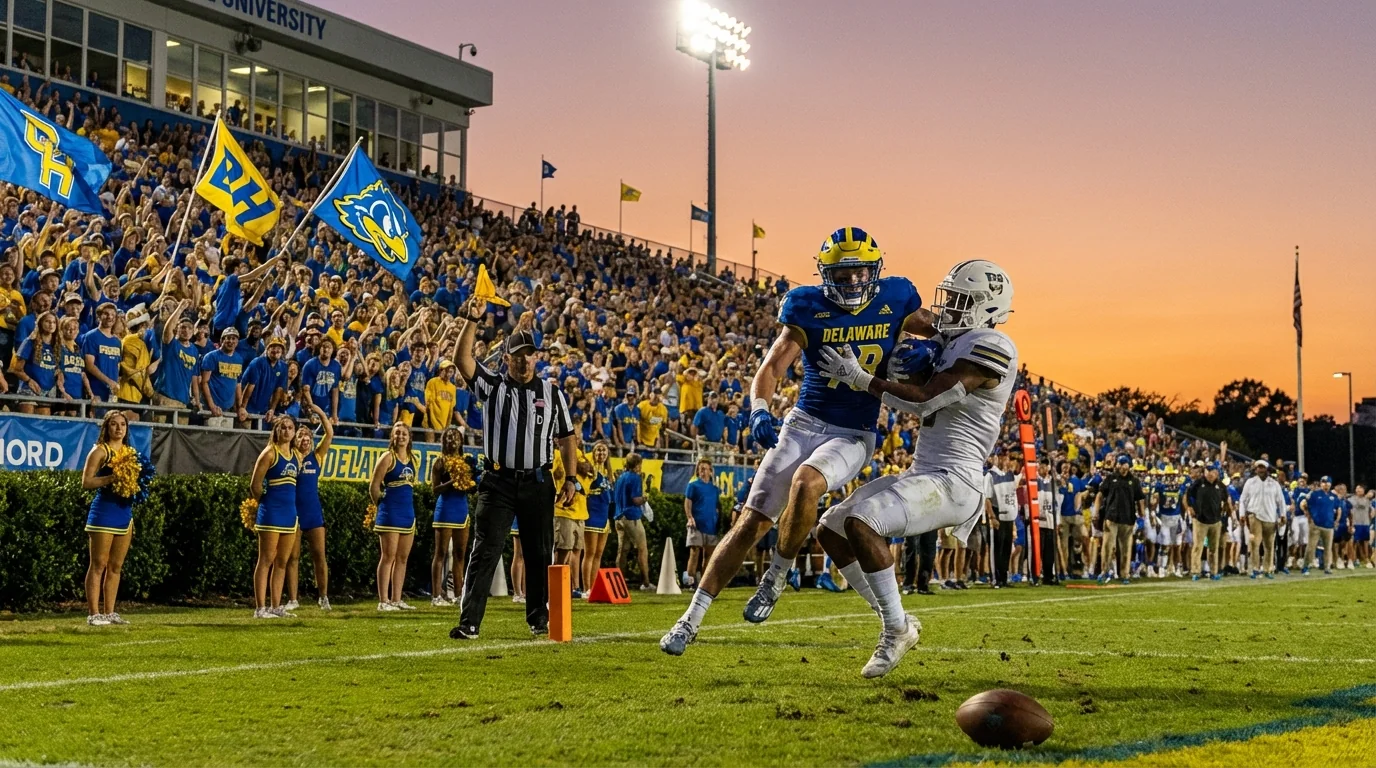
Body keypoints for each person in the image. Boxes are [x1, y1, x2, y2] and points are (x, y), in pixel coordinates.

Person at [662, 227, 934, 657]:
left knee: (807, 484)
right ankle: (689, 619)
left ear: (875, 270)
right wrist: (758, 408)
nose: (851, 283)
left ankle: (777, 576)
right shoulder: (807, 306)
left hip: (852, 432)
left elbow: (936, 331)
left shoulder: (896, 298)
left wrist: (931, 352)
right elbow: (772, 366)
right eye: (841, 276)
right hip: (804, 421)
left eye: (859, 273)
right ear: (825, 275)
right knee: (751, 521)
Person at [772, 260, 1017, 678]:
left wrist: (862, 379)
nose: (949, 308)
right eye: (950, 298)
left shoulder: (993, 346)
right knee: (830, 529)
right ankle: (899, 621)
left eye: (960, 301)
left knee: (864, 523)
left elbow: (925, 399)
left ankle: (892, 629)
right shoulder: (954, 340)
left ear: (988, 307)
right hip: (925, 472)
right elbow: (915, 352)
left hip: (955, 480)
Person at [449, 300, 577, 641]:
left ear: (538, 357)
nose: (524, 360)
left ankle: (538, 617)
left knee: (539, 552)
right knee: (486, 550)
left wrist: (572, 478)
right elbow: (461, 361)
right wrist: (472, 319)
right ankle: (470, 621)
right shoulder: (493, 386)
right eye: (517, 354)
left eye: (529, 354)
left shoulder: (553, 393)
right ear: (506, 358)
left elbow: (567, 437)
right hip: (498, 481)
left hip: (538, 480)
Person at [81, 411, 137, 626]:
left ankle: (110, 612)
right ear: (106, 427)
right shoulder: (99, 451)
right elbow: (86, 482)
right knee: (98, 564)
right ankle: (94, 613)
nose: (118, 428)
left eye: (122, 424)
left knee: (116, 565)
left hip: (125, 512)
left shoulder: (129, 452)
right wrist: (112, 478)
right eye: (113, 424)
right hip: (103, 512)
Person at [248, 415, 300, 619]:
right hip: (271, 512)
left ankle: (276, 606)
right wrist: (266, 502)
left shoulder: (296, 455)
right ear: (276, 431)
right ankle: (260, 608)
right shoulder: (269, 453)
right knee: (266, 559)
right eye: (283, 428)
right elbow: (255, 484)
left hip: (289, 514)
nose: (287, 431)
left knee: (282, 561)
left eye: (290, 427)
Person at [287, 402, 333, 611]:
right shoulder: (289, 458)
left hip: (313, 513)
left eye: (308, 437)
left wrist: (318, 409)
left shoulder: (317, 457)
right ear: (294, 440)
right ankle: (293, 599)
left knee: (319, 556)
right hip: (293, 513)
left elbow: (329, 432)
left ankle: (323, 597)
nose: (305, 440)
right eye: (300, 437)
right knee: (292, 557)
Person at [369, 423, 419, 611]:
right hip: (390, 512)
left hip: (407, 513)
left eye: (404, 433)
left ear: (409, 437)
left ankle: (397, 599)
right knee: (388, 556)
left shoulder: (413, 459)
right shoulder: (387, 457)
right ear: (392, 436)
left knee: (403, 558)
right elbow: (374, 486)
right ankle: (384, 600)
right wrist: (380, 507)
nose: (401, 436)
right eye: (397, 432)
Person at [431, 425, 477, 606]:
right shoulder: (439, 462)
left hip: (461, 509)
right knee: (440, 553)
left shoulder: (467, 461)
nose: (452, 440)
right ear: (443, 441)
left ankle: (459, 594)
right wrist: (452, 481)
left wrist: (472, 484)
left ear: (461, 441)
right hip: (445, 509)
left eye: (455, 437)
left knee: (460, 554)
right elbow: (435, 490)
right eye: (448, 437)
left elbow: (469, 487)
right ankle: (436, 596)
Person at [1094, 455, 1147, 584]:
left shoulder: (1134, 481)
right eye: (1120, 463)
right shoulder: (1111, 478)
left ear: (1128, 465)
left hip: (1128, 519)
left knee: (1126, 549)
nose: (1121, 466)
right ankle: (1104, 571)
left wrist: (1142, 513)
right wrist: (1096, 512)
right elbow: (1100, 494)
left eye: (1123, 463)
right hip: (1111, 517)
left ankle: (1125, 574)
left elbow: (1140, 498)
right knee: (1107, 546)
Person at [553, 447, 592, 597]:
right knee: (563, 551)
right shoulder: (557, 453)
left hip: (580, 513)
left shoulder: (578, 452)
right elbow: (554, 473)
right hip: (564, 512)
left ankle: (573, 587)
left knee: (575, 552)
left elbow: (588, 469)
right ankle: (555, 589)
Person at [1239, 459, 1286, 579]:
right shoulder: (1250, 482)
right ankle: (1255, 568)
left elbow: (1281, 501)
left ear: (1266, 469)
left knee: (1269, 545)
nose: (1260, 470)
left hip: (1270, 517)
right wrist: (1241, 514)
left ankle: (1267, 569)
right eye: (1258, 467)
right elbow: (1243, 500)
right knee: (1255, 542)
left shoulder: (1274, 484)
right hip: (1254, 515)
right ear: (1256, 469)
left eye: (1262, 467)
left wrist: (1282, 515)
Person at [613, 453, 653, 589]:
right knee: (642, 549)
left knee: (622, 551)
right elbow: (636, 500)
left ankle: (619, 583)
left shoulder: (620, 477)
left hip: (619, 517)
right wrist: (645, 498)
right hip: (631, 517)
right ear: (637, 465)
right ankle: (646, 583)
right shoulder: (635, 477)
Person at [683, 458, 721, 589]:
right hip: (696, 525)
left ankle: (704, 584)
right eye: (701, 469)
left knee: (709, 556)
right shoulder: (693, 486)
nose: (703, 472)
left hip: (711, 526)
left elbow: (716, 506)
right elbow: (688, 502)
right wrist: (689, 517)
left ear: (711, 471)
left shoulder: (715, 489)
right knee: (694, 553)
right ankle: (691, 583)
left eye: (705, 469)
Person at [1187, 464, 1230, 581]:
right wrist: (1190, 507)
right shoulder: (1198, 483)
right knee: (1197, 547)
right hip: (1200, 520)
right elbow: (1188, 494)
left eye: (1213, 472)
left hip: (1215, 521)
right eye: (1209, 472)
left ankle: (1213, 571)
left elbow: (1226, 500)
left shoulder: (1221, 486)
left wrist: (1225, 513)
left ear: (1217, 473)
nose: (1211, 474)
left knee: (1213, 548)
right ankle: (1195, 571)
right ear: (1205, 472)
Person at [581, 441, 614, 592]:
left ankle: (593, 588)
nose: (601, 453)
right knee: (590, 553)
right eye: (598, 450)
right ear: (593, 453)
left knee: (598, 554)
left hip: (604, 516)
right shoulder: (591, 470)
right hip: (592, 514)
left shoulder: (608, 472)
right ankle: (586, 587)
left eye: (604, 451)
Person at [1301, 476, 1338, 575]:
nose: (1325, 484)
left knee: (1328, 548)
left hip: (1329, 525)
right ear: (1321, 483)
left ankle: (1327, 567)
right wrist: (1308, 515)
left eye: (1327, 482)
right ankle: (1305, 566)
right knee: (1311, 547)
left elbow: (1338, 508)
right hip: (1316, 525)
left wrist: (1336, 520)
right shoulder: (1314, 494)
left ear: (1330, 484)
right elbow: (1303, 503)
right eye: (1323, 482)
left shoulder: (1333, 496)